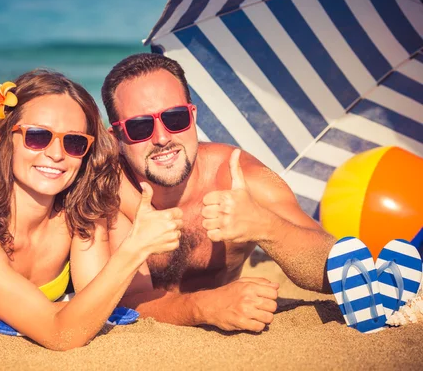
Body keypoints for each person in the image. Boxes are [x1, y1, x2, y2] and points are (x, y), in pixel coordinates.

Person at [101, 53, 336, 333]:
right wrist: (202, 306)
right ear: (116, 139)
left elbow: (333, 271)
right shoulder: (106, 195)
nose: (162, 138)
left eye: (175, 118)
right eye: (140, 127)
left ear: (193, 116)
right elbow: (111, 304)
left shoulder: (239, 177)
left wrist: (265, 226)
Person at [0, 69, 182, 351]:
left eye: (74, 142)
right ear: (4, 138)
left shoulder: (78, 214)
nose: (57, 154)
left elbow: (95, 312)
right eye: (38, 137)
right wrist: (133, 251)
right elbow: (63, 335)